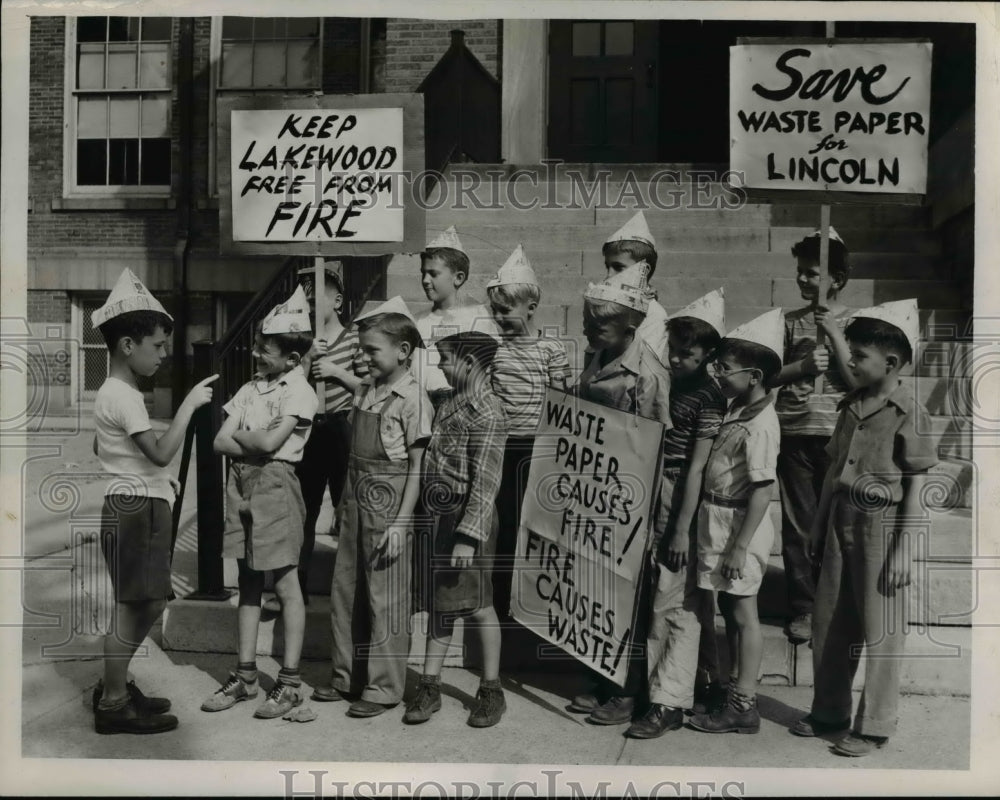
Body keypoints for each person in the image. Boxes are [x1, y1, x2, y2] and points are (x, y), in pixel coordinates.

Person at [791, 299, 936, 758]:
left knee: (880, 629)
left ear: (890, 363)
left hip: (881, 526)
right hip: (838, 523)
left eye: (857, 357)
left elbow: (916, 486)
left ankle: (874, 724)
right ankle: (828, 710)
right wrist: (816, 527)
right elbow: (834, 471)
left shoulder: (909, 411)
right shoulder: (850, 404)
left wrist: (904, 550)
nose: (849, 363)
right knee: (831, 620)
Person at [91, 269, 217, 735]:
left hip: (134, 504)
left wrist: (157, 479)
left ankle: (114, 685)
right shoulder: (125, 397)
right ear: (128, 345)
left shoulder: (112, 393)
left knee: (145, 603)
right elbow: (163, 451)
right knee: (135, 607)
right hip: (136, 511)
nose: (164, 354)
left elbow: (102, 449)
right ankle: (113, 700)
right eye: (158, 345)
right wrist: (188, 406)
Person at [202, 286, 318, 719]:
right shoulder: (252, 388)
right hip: (242, 484)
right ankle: (246, 675)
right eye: (255, 346)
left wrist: (248, 440)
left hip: (276, 485)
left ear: (290, 358)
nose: (254, 355)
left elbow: (271, 442)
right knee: (248, 581)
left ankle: (289, 684)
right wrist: (256, 442)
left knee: (286, 584)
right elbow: (218, 441)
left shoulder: (299, 391)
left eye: (264, 350)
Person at [316, 297, 434, 718]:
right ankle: (345, 676)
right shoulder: (365, 390)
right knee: (345, 590)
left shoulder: (412, 397)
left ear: (403, 352)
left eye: (371, 351)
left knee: (386, 598)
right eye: (361, 349)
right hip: (354, 499)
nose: (363, 358)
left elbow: (418, 465)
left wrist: (402, 523)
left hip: (389, 503)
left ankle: (383, 688)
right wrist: (341, 506)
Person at [568, 262, 673, 726]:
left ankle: (628, 691)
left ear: (631, 326)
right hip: (594, 493)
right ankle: (603, 678)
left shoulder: (647, 374)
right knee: (600, 591)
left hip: (631, 496)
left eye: (601, 325)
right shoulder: (597, 356)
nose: (590, 330)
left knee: (629, 595)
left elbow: (658, 446)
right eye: (588, 323)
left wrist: (646, 515)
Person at [627, 290, 727, 739]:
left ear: (709, 355)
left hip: (681, 495)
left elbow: (697, 467)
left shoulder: (708, 396)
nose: (675, 359)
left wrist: (681, 529)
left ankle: (666, 702)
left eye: (686, 354)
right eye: (672, 351)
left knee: (674, 600)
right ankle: (708, 681)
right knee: (679, 598)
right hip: (654, 486)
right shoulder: (673, 385)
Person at [404, 332, 509, 728]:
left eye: (446, 359)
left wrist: (468, 536)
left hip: (468, 520)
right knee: (441, 604)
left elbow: (486, 481)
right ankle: (430, 685)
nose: (441, 366)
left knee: (479, 606)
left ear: (469, 362)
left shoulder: (489, 411)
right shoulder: (449, 401)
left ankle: (491, 689)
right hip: (439, 516)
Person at [688, 309, 783, 736]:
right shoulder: (737, 409)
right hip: (718, 516)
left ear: (755, 375)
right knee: (728, 607)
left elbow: (763, 489)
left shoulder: (762, 424)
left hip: (740, 525)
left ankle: (744, 702)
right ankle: (731, 693)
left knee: (744, 613)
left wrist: (739, 547)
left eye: (724, 369)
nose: (717, 374)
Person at [770, 227, 857, 644]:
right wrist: (803, 368)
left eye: (815, 274)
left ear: (837, 279)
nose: (805, 280)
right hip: (794, 430)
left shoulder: (856, 322)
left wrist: (836, 337)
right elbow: (769, 376)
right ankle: (803, 606)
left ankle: (833, 601)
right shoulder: (787, 323)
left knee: (837, 523)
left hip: (836, 433)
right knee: (798, 522)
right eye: (801, 272)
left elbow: (858, 378)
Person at [485, 245, 571, 629]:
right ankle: (502, 604)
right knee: (503, 529)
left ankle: (536, 604)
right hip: (504, 447)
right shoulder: (495, 352)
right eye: (496, 311)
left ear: (531, 308)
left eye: (507, 310)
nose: (500, 317)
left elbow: (563, 402)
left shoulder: (551, 349)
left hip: (538, 450)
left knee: (537, 530)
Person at [292, 264, 368, 605]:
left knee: (346, 507)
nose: (310, 301)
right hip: (310, 429)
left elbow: (369, 388)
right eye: (306, 296)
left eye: (317, 294)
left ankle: (349, 588)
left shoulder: (354, 340)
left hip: (342, 426)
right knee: (303, 511)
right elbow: (289, 389)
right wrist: (308, 361)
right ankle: (297, 585)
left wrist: (337, 371)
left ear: (337, 300)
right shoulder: (303, 343)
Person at [412, 226, 500, 407]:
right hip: (419, 405)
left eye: (433, 274)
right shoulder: (418, 320)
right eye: (423, 273)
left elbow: (488, 366)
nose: (425, 280)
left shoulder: (476, 317)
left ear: (458, 278)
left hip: (461, 405)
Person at [600, 211, 668, 361]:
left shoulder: (654, 314)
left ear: (643, 271)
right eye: (608, 267)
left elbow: (638, 365)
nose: (609, 276)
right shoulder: (609, 304)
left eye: (618, 267)